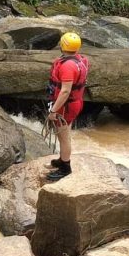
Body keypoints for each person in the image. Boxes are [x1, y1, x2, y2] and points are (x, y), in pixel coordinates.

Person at [46, 32, 89, 181]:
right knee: (64, 133)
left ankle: (65, 167)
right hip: (73, 103)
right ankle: (62, 159)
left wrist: (53, 110)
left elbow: (65, 91)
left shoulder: (68, 66)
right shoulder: (80, 60)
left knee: (64, 137)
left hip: (66, 105)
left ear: (62, 45)